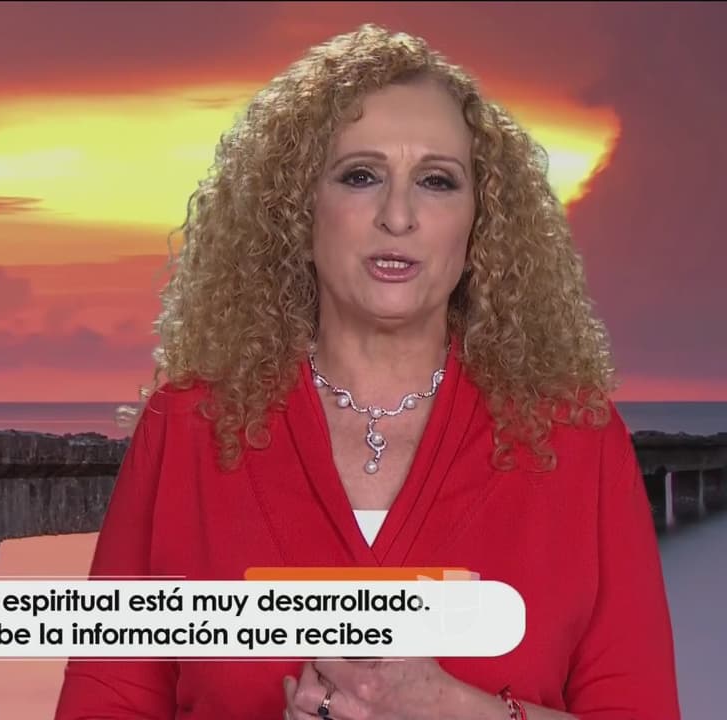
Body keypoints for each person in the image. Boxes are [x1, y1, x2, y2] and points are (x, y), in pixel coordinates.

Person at [53, 23, 680, 720]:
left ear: (480, 227)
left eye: (437, 181)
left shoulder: (577, 439)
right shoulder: (188, 425)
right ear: (297, 214)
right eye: (361, 175)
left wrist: (455, 709)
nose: (398, 215)